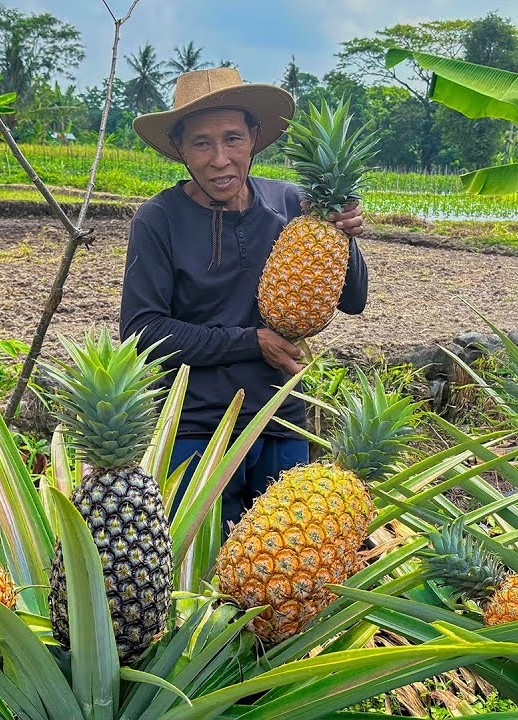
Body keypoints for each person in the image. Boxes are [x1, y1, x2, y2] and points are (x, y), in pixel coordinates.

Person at [119, 67, 369, 533]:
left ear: (254, 137)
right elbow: (142, 331)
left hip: (282, 421)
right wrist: (252, 342)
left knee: (283, 580)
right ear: (179, 148)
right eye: (201, 143)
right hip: (194, 430)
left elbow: (353, 301)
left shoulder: (293, 204)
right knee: (201, 574)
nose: (220, 159)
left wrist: (344, 238)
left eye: (233, 138)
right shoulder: (158, 219)